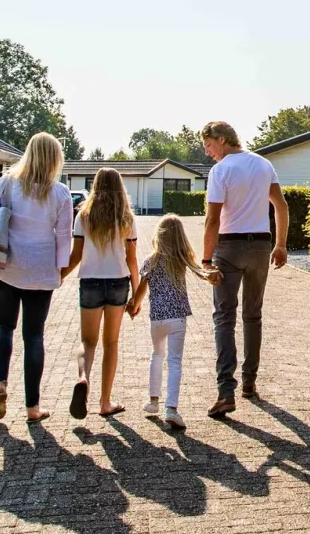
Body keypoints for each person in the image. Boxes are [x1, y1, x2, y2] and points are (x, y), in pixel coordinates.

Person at [0, 132, 73, 424]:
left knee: (3, 326)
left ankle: (0, 383)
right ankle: (32, 408)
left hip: (7, 266)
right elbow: (64, 237)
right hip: (41, 271)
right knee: (34, 336)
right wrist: (60, 270)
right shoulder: (60, 193)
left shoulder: (8, 183)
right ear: (55, 159)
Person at [199, 121, 288, 418]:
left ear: (222, 140)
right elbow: (281, 206)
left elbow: (212, 220)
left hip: (229, 248)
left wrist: (206, 260)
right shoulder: (264, 165)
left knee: (224, 317)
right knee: (253, 315)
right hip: (261, 247)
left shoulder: (221, 171)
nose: (208, 151)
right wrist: (281, 244)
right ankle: (249, 383)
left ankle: (226, 391)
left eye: (209, 145)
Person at [67, 167, 139, 420]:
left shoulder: (83, 216)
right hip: (118, 283)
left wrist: (59, 275)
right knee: (111, 343)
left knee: (88, 341)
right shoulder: (126, 217)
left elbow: (76, 256)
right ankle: (105, 402)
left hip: (90, 282)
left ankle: (83, 378)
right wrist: (137, 296)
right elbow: (132, 260)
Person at [130, 215, 205, 432]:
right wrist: (213, 275)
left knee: (156, 355)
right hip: (177, 318)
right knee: (174, 362)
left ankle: (153, 401)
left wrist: (134, 305)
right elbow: (200, 272)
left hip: (157, 319)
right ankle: (171, 408)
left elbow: (142, 289)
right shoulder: (181, 258)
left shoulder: (150, 260)